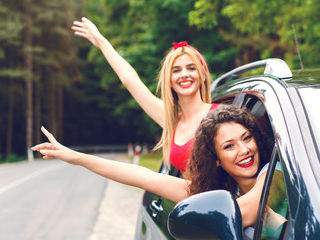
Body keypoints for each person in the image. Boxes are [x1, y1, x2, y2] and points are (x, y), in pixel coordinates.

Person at [32, 104, 284, 228]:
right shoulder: (219, 191)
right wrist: (76, 157)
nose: (244, 150)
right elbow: (142, 177)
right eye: (229, 146)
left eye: (247, 138)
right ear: (216, 159)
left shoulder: (275, 174)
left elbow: (242, 213)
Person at [71, 17, 218, 173]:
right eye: (176, 70)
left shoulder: (220, 115)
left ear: (202, 75)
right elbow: (130, 80)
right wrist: (101, 42)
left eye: (191, 68)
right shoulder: (171, 121)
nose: (184, 75)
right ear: (169, 80)